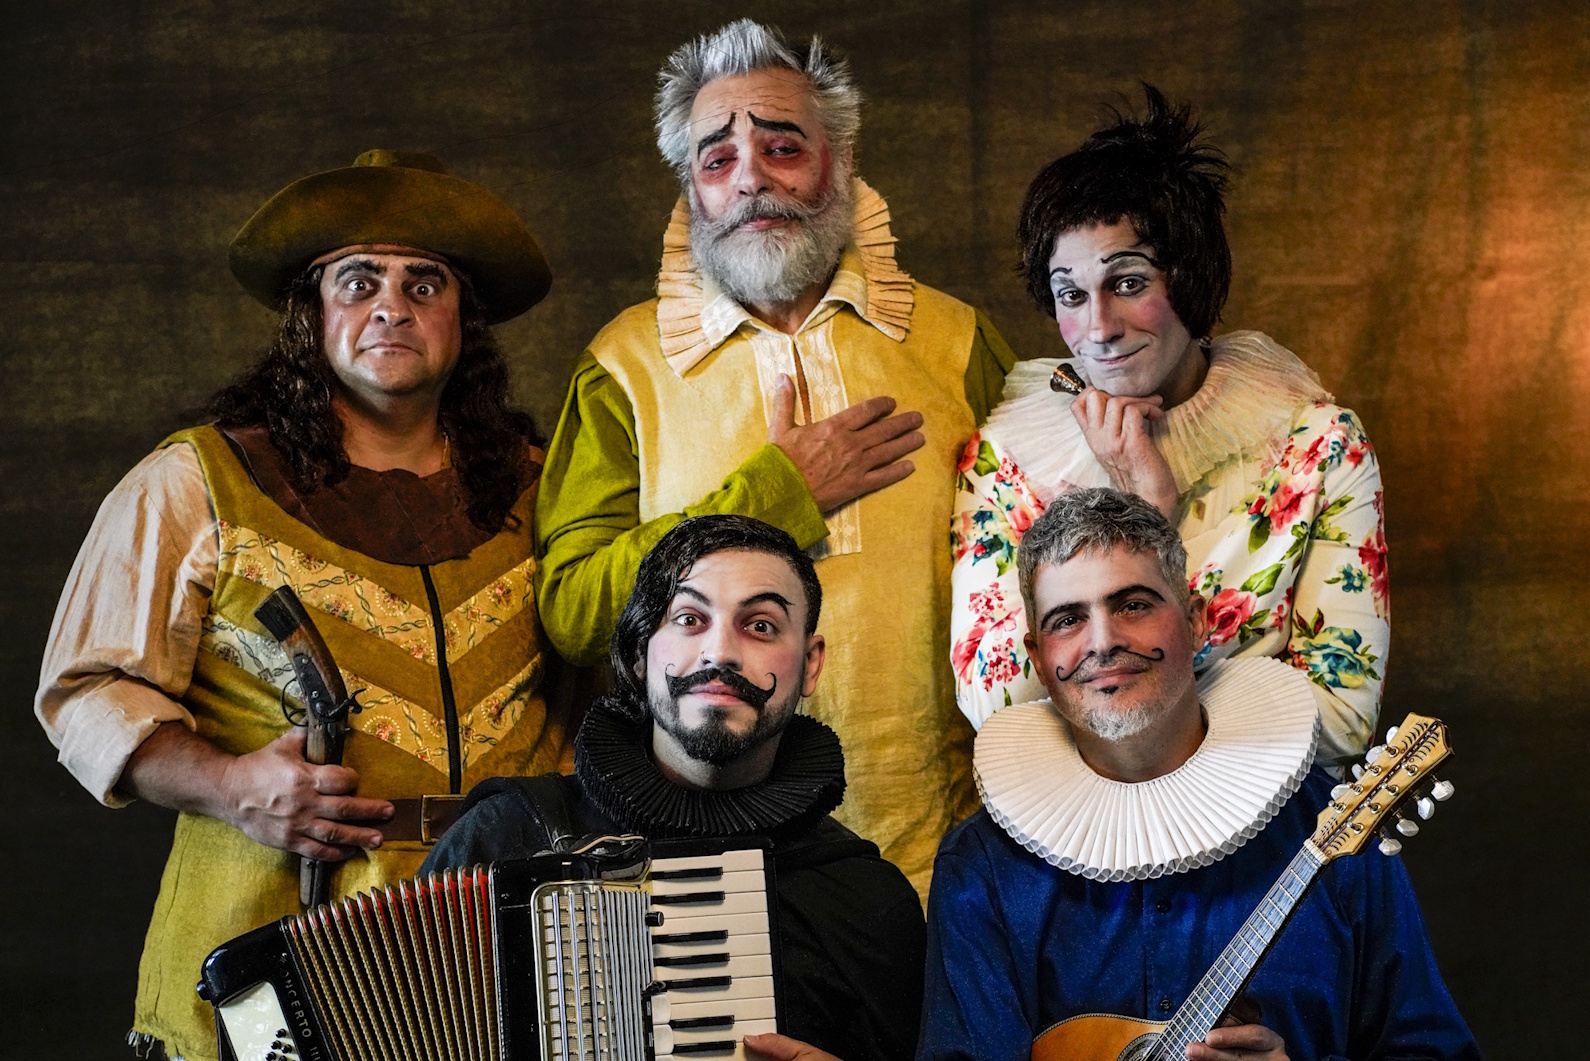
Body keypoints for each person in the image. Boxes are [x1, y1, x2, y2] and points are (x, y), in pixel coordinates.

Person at [36, 150, 568, 1060]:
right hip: (266, 934)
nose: (392, 306)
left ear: (463, 320)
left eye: (425, 284)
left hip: (498, 943)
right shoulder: (198, 480)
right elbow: (86, 691)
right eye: (359, 282)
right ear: (311, 314)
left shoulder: (543, 489)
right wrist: (234, 787)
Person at [536, 18, 1022, 897]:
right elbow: (574, 612)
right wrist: (775, 495)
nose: (751, 176)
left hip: (939, 855)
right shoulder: (622, 366)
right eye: (717, 158)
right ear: (690, 189)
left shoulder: (958, 345)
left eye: (783, 146)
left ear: (841, 160)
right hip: (695, 871)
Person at [920, 488, 1477, 1061]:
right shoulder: (984, 868)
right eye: (1068, 620)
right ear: (1038, 658)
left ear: (1195, 621)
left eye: (1133, 605)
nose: (1103, 641)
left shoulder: (1333, 829)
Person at [950, 87, 1387, 768]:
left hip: (1271, 822)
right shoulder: (1005, 461)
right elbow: (998, 706)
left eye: (1127, 283)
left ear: (1189, 277)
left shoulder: (1318, 448)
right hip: (1074, 826)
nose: (1098, 327)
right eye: (1071, 294)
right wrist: (1142, 518)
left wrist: (1110, 693)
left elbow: (1338, 717)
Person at [425, 514, 925, 1061]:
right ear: (641, 654)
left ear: (809, 664)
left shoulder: (868, 902)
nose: (720, 653)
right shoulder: (503, 837)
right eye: (689, 619)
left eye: (760, 626)